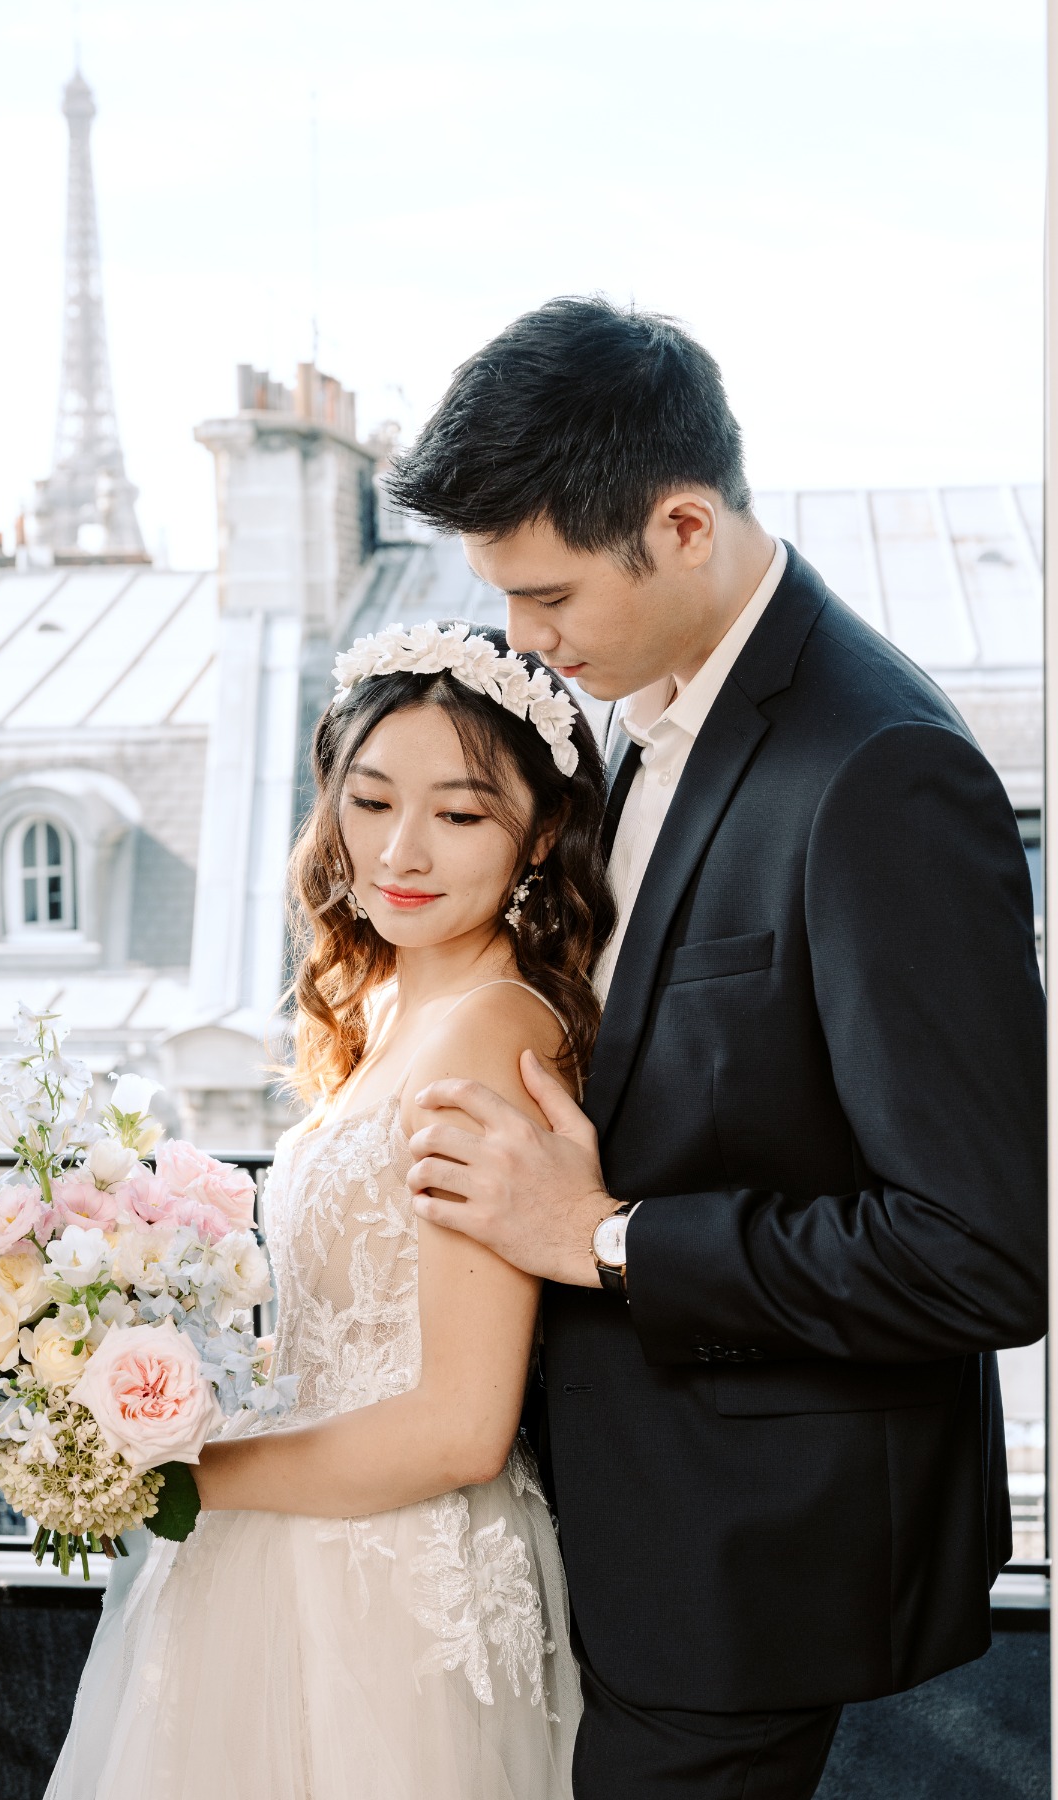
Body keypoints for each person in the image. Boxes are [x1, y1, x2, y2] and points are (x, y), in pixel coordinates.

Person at [388, 298, 1048, 1800]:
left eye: (547, 597)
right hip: (590, 1525)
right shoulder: (634, 711)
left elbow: (980, 1256)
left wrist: (607, 1241)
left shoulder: (883, 773)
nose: (521, 641)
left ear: (684, 526)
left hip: (746, 1563)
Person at [45, 622, 615, 1800]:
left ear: (542, 833)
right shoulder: (395, 999)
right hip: (295, 1536)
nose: (401, 849)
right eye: (368, 801)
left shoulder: (493, 1031)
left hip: (392, 1581)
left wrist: (178, 1470)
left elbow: (461, 1424)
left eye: (460, 815)